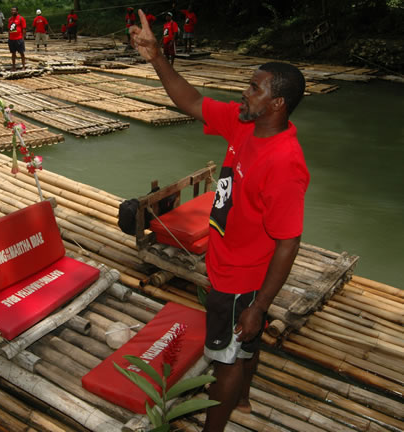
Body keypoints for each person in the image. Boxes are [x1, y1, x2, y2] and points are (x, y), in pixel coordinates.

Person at [130, 10, 309, 432]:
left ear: (277, 103)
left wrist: (259, 304)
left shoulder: (284, 163)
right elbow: (189, 101)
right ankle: (243, 399)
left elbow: (289, 241)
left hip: (240, 280)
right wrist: (156, 56)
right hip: (228, 262)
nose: (243, 93)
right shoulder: (246, 126)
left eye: (253, 88)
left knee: (224, 358)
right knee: (245, 344)